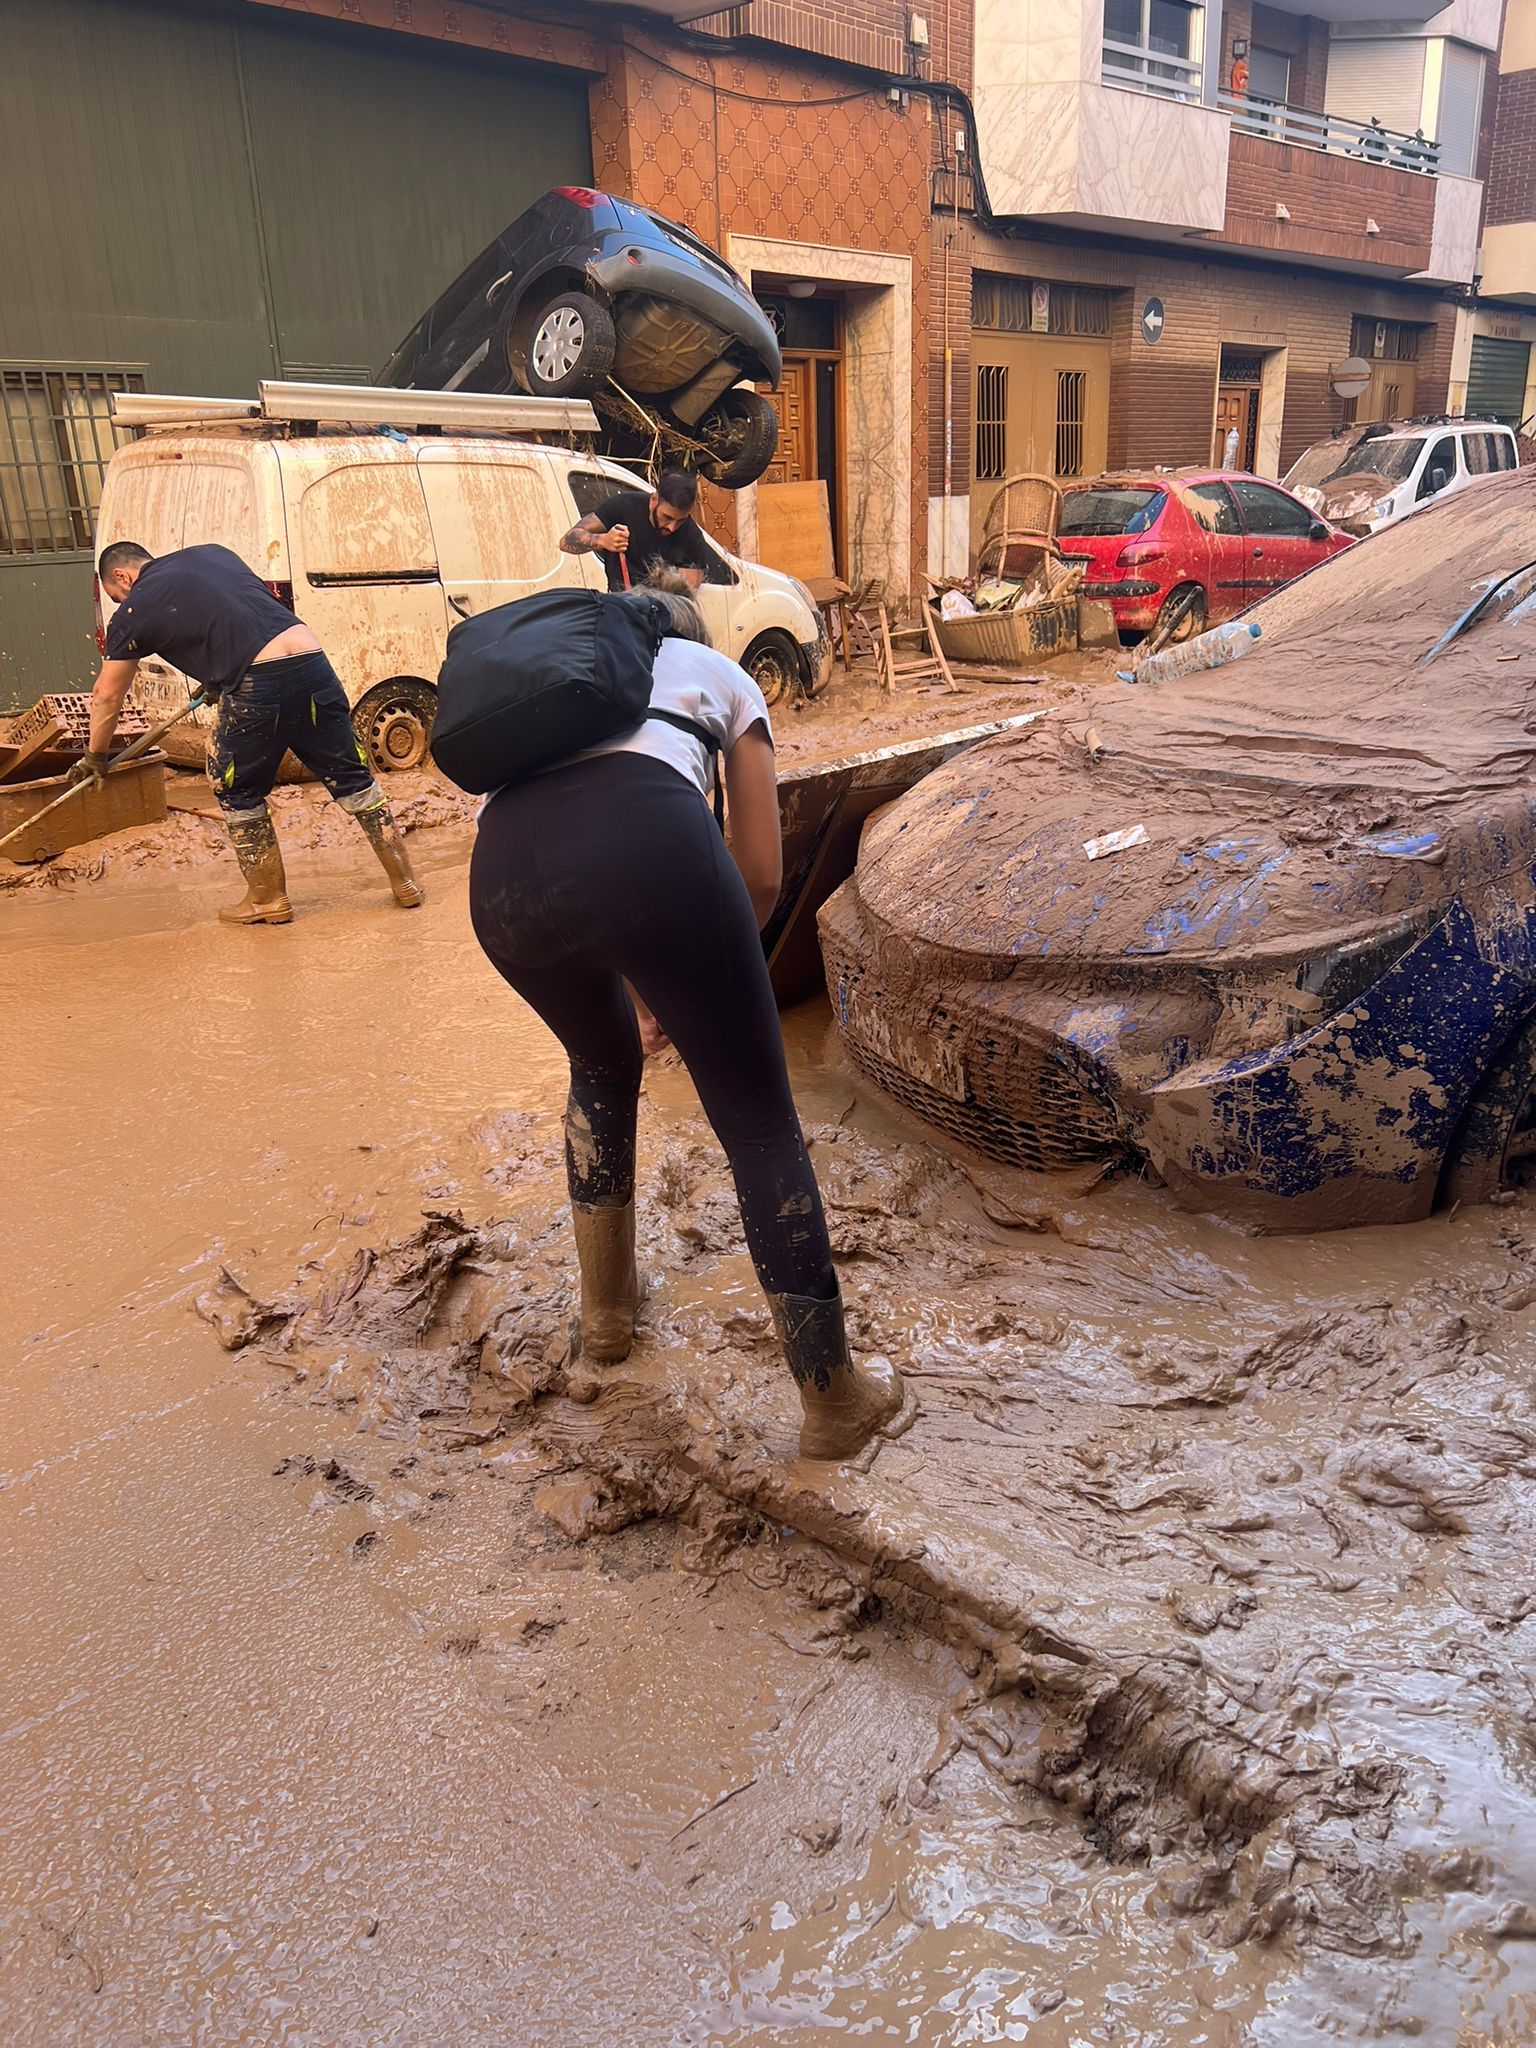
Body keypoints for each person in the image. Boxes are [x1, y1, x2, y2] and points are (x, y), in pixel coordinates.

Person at [467, 569, 902, 1462]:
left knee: (599, 1067)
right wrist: (697, 972)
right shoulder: (718, 671)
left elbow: (569, 866)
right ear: (689, 631)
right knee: (756, 1120)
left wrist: (649, 983)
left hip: (501, 886)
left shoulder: (552, 700)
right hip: (651, 849)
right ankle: (834, 1404)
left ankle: (609, 1321)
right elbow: (760, 872)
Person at [85, 541, 423, 926]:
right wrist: (218, 676)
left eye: (116, 595)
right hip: (313, 665)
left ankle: (268, 899)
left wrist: (96, 756)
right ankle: (405, 880)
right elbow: (240, 614)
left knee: (237, 788)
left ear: (121, 576)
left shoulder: (134, 608)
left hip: (257, 686)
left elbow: (107, 695)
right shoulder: (213, 554)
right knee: (354, 778)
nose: (121, 601)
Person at [559, 469, 717, 592]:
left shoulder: (691, 535)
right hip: (619, 605)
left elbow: (685, 595)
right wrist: (603, 540)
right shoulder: (624, 506)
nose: (672, 527)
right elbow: (565, 542)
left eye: (680, 520)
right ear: (654, 500)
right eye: (667, 517)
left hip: (664, 615)